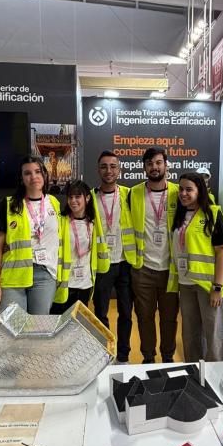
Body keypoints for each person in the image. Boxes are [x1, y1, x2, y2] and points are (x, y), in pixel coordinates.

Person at [169, 173, 223, 362]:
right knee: (190, 333)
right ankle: (194, 372)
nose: (183, 193)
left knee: (215, 335)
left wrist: (217, 287)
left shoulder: (212, 213)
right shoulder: (179, 216)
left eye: (189, 189)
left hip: (208, 286)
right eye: (181, 189)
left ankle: (218, 374)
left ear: (200, 191)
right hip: (186, 284)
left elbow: (221, 252)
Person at [0, 155, 61, 313]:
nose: (33, 176)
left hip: (45, 274)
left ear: (45, 175)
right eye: (27, 173)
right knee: (12, 330)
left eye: (38, 171)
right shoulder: (8, 205)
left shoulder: (54, 203)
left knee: (38, 329)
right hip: (14, 276)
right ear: (21, 178)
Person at [129, 147, 179, 363]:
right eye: (150, 164)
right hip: (144, 269)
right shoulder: (135, 193)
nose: (154, 167)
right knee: (144, 317)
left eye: (158, 162)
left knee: (169, 318)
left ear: (166, 165)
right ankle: (148, 357)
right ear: (144, 168)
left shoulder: (179, 192)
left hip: (171, 269)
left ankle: (167, 357)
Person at [92, 151, 136, 362]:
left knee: (126, 313)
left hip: (126, 262)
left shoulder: (129, 194)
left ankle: (123, 355)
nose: (108, 171)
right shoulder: (90, 197)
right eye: (104, 166)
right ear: (98, 169)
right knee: (100, 313)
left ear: (119, 169)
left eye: (112, 166)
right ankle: (104, 354)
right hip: (103, 264)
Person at [53, 180, 109, 313]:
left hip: (85, 284)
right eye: (70, 197)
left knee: (77, 327)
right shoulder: (60, 221)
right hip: (65, 285)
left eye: (77, 197)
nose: (73, 201)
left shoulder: (93, 224)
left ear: (87, 198)